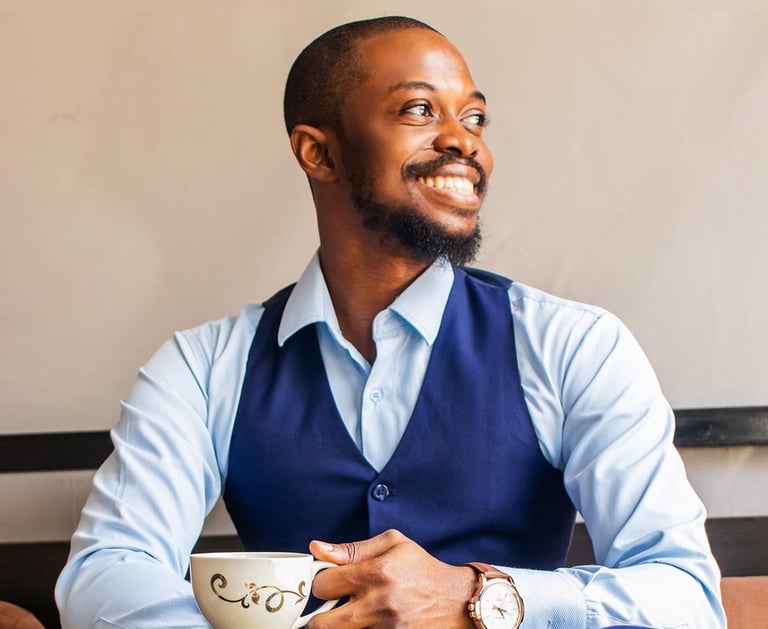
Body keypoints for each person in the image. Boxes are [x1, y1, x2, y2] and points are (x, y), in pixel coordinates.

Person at [56, 16, 725, 629]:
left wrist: (480, 597)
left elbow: (687, 596)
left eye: (476, 117)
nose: (465, 140)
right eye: (419, 108)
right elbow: (106, 570)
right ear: (319, 153)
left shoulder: (574, 346)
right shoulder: (202, 368)